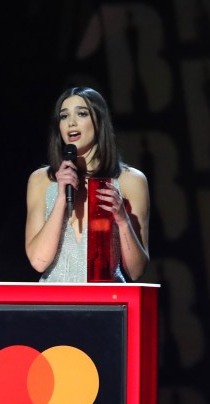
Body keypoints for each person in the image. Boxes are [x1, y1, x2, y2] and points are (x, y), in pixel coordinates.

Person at [25, 86, 150, 282]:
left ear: (99, 122)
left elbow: (136, 270)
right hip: (53, 304)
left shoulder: (131, 181)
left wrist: (122, 220)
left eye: (81, 114)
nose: (71, 123)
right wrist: (60, 200)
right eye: (64, 116)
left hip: (108, 304)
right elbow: (38, 261)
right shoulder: (41, 180)